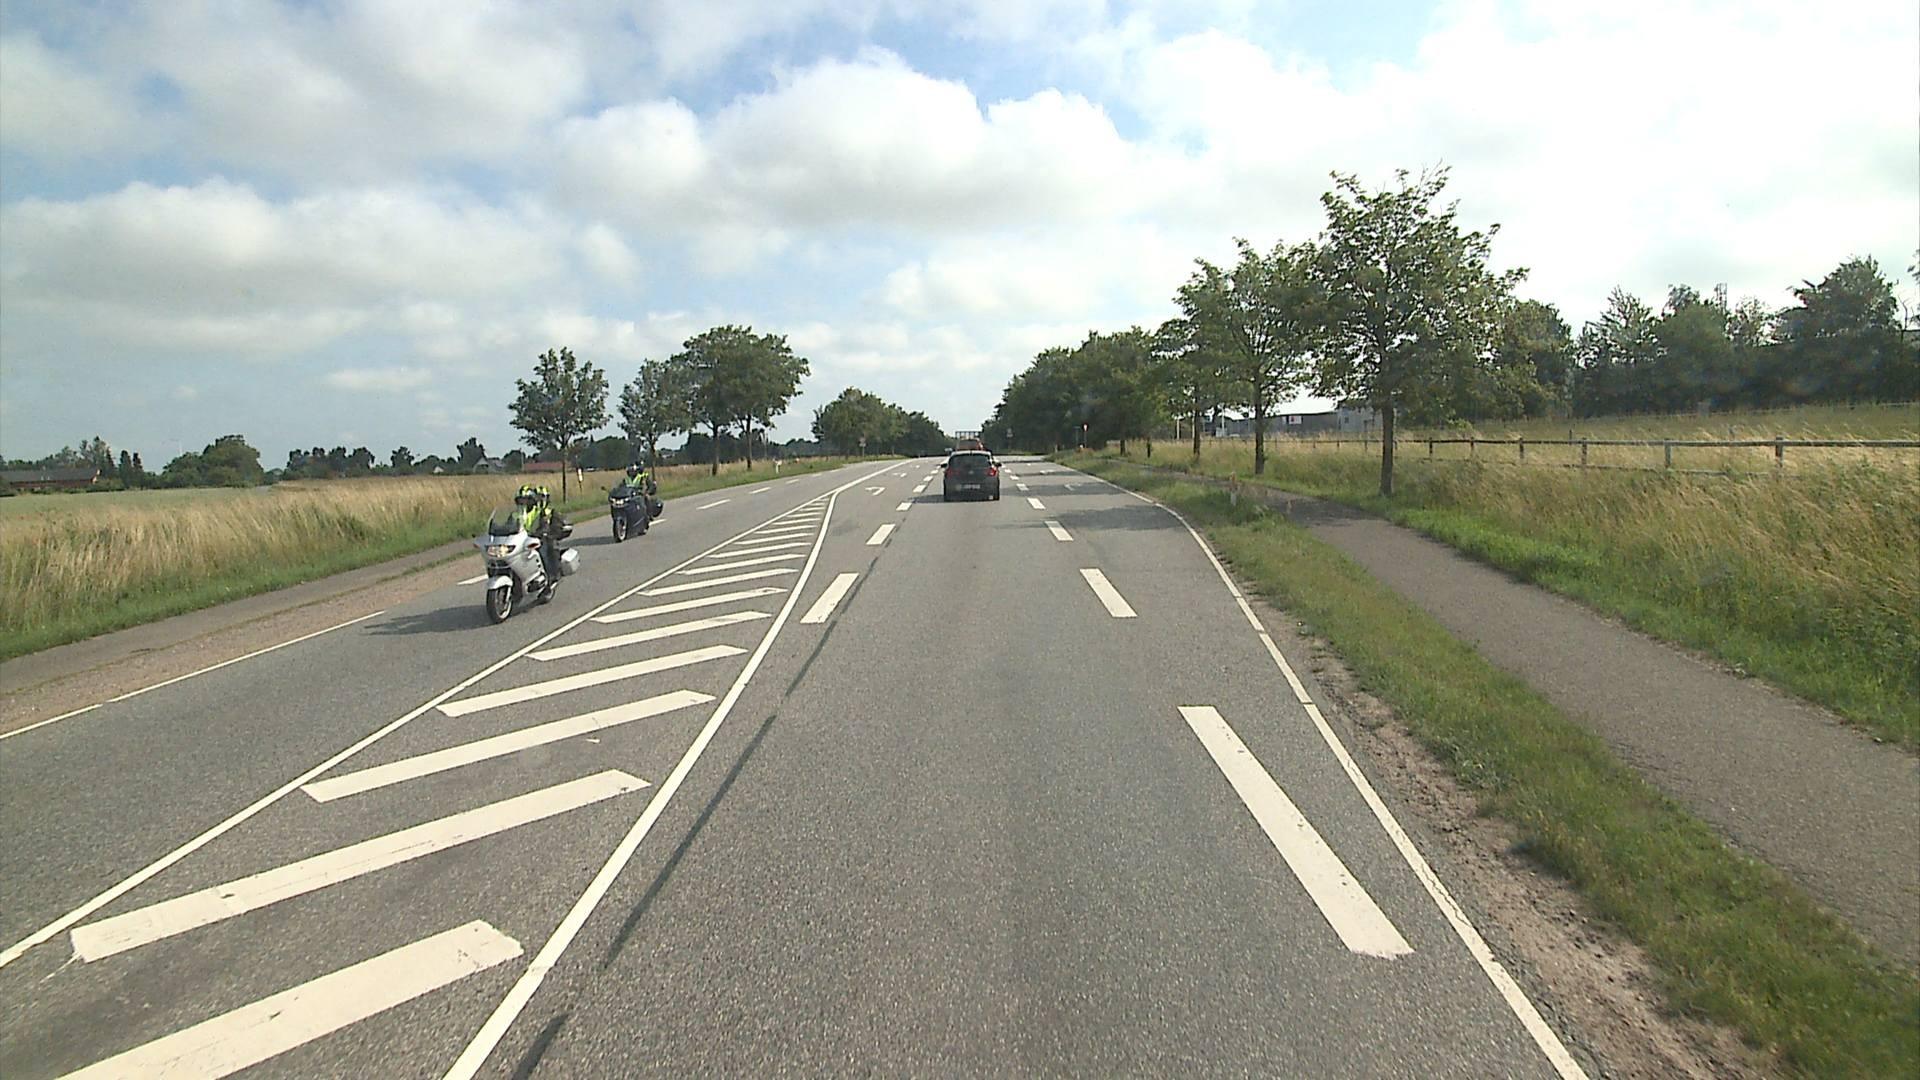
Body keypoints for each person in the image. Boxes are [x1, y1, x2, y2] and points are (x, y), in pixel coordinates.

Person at [516, 484, 566, 595]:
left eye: (526, 500)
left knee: (543, 552)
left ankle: (550, 578)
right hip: (522, 540)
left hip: (538, 538)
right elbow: (509, 524)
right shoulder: (516, 514)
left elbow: (544, 524)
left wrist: (542, 531)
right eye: (521, 500)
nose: (523, 503)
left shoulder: (540, 512)